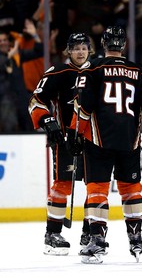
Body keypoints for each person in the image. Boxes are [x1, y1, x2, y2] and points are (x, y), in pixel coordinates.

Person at [67, 26, 142, 264]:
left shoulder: (94, 68)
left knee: (97, 189)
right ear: (124, 45)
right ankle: (136, 237)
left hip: (99, 139)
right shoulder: (138, 70)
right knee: (131, 188)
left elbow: (83, 107)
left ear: (103, 44)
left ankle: (97, 241)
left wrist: (74, 134)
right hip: (129, 140)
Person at [28, 33, 95, 255]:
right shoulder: (58, 72)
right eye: (75, 48)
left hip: (94, 139)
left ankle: (90, 231)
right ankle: (52, 234)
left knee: (96, 186)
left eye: (84, 47)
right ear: (68, 51)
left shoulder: (98, 71)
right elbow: (36, 101)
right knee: (63, 185)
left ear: (90, 50)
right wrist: (48, 122)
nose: (80, 51)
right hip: (66, 140)